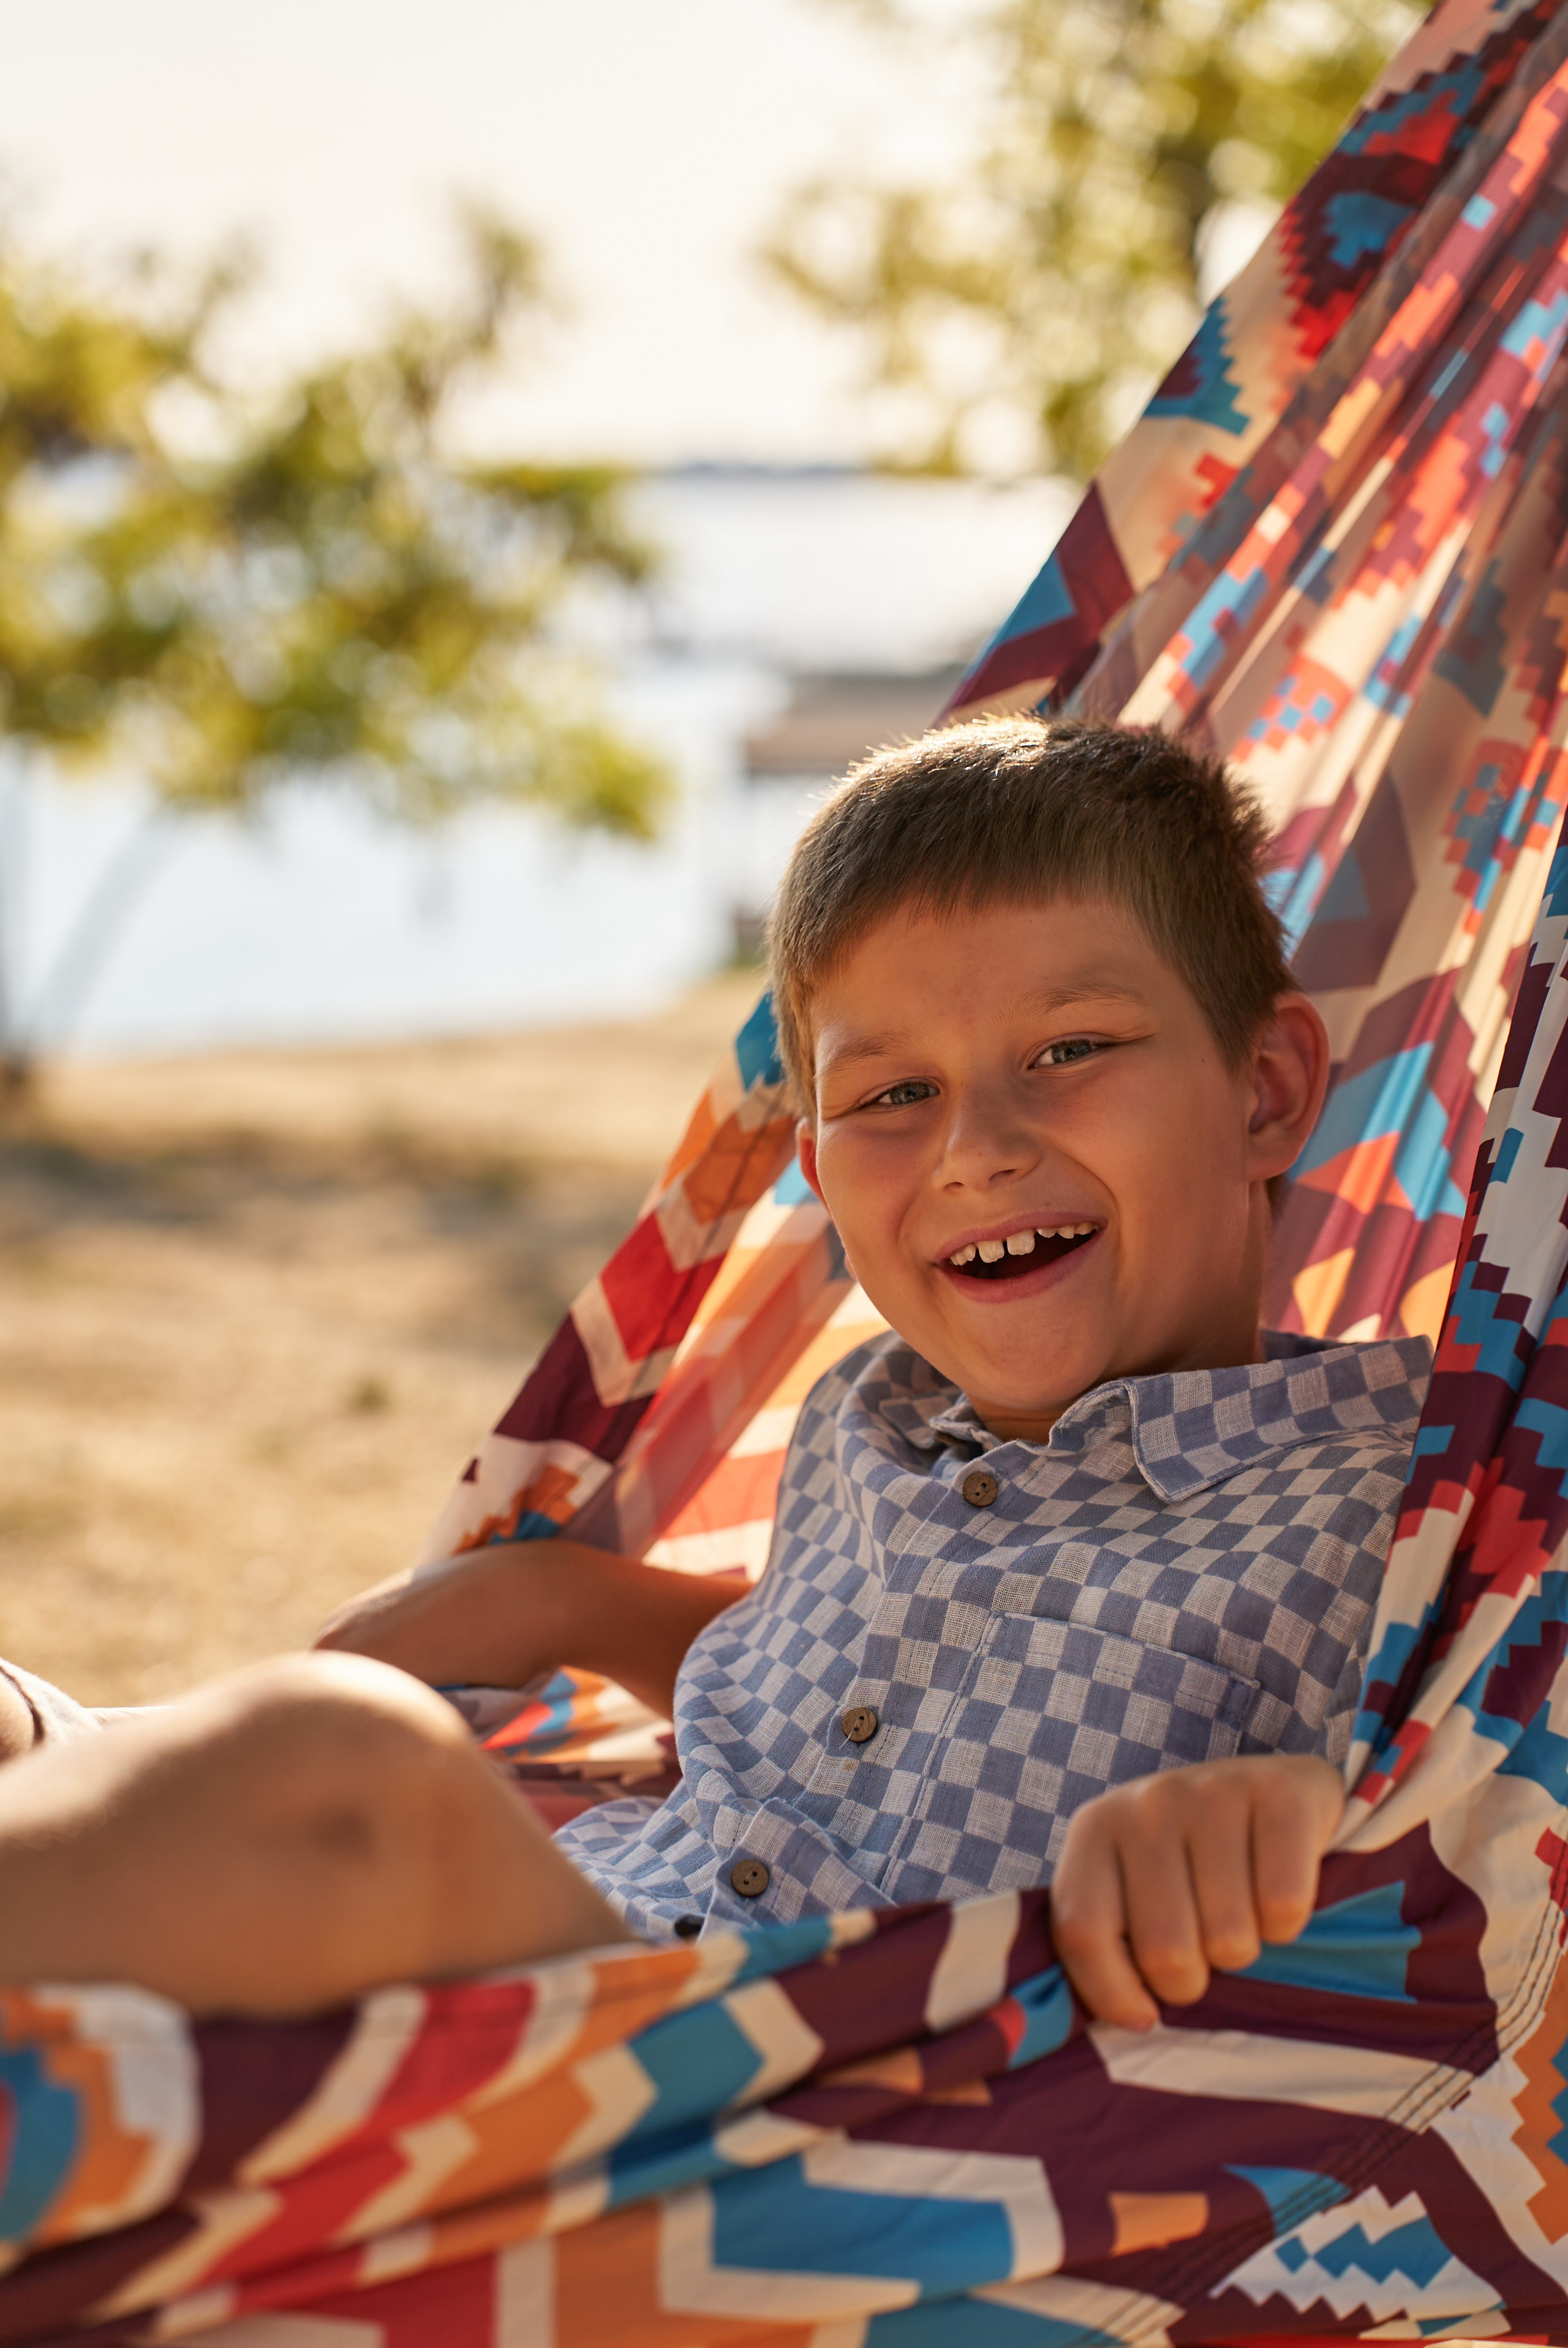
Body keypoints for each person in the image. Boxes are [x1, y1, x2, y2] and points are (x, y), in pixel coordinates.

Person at [0, 718, 1427, 2029]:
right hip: (613, 1938)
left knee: (339, 1766)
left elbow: (1483, 1799)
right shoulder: (873, 1422)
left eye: (1066, 1049)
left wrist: (1296, 1814)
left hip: (779, 2101)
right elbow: (847, 1676)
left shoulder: (1391, 1497)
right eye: (890, 1095)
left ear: (1265, 1090)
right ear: (817, 1166)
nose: (972, 1146)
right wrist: (553, 1594)